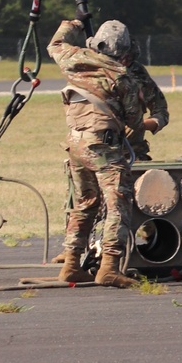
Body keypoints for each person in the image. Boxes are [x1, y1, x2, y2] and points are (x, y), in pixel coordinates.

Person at [47, 16, 156, 287]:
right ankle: (109, 267)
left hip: (75, 144)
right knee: (119, 203)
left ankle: (71, 265)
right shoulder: (123, 78)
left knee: (85, 202)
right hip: (103, 146)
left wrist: (73, 23)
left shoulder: (73, 58)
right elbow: (133, 120)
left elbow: (55, 44)